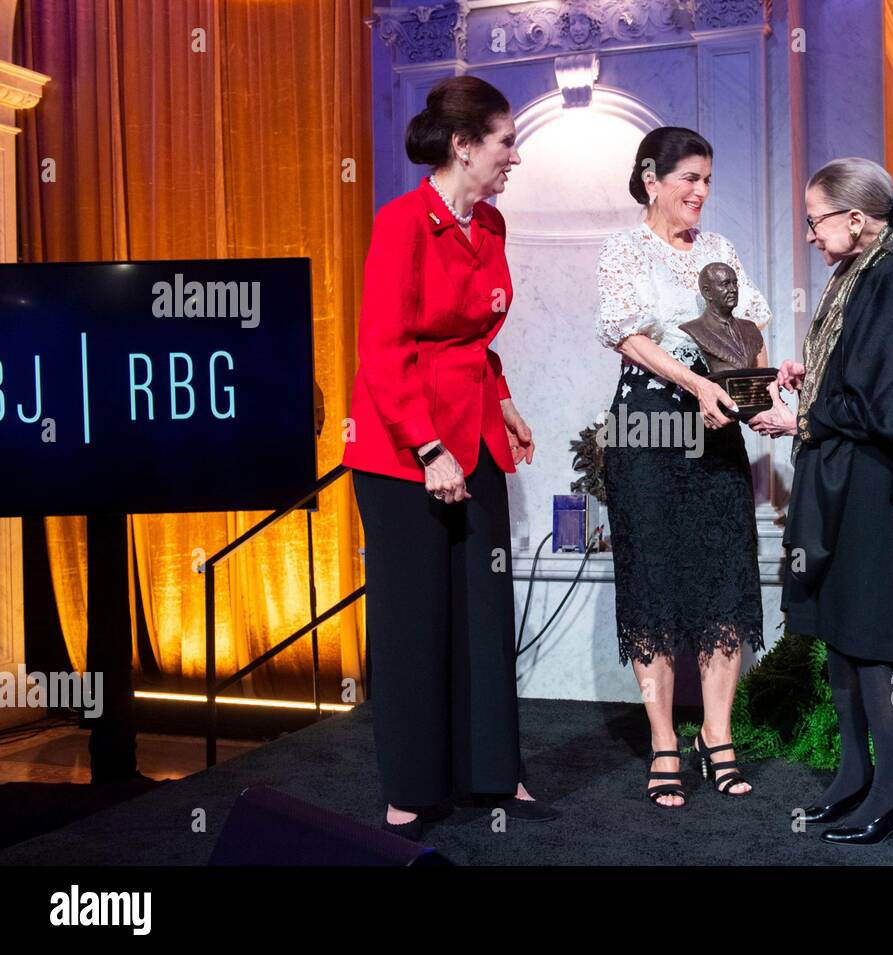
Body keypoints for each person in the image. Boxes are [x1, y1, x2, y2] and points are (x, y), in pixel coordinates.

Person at [342, 75, 557, 838]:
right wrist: (429, 446)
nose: (515, 156)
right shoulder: (401, 222)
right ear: (464, 147)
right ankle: (410, 787)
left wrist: (503, 402)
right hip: (405, 449)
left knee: (483, 609)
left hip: (475, 435)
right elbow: (383, 348)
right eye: (505, 142)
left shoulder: (491, 225)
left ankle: (494, 771)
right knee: (414, 616)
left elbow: (475, 340)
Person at [748, 157, 893, 845]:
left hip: (876, 482)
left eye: (816, 221)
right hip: (839, 470)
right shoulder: (855, 272)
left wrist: (802, 419)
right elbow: (850, 370)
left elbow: (888, 395)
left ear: (854, 217)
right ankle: (854, 776)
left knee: (873, 635)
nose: (812, 236)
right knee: (839, 628)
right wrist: (805, 375)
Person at [596, 127, 773, 807]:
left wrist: (743, 386)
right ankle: (665, 739)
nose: (700, 191)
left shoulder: (720, 252)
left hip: (714, 429)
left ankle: (718, 735)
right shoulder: (622, 251)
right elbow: (627, 335)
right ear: (651, 179)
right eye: (688, 179)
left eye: (707, 179)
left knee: (725, 578)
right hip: (647, 426)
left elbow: (749, 326)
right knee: (655, 580)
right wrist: (694, 383)